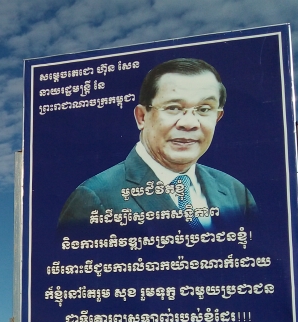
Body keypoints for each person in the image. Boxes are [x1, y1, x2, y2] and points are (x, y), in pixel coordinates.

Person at [58, 58, 256, 230]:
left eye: (204, 109)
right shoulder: (95, 197)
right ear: (142, 117)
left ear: (217, 117)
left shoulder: (237, 193)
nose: (189, 123)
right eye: (173, 108)